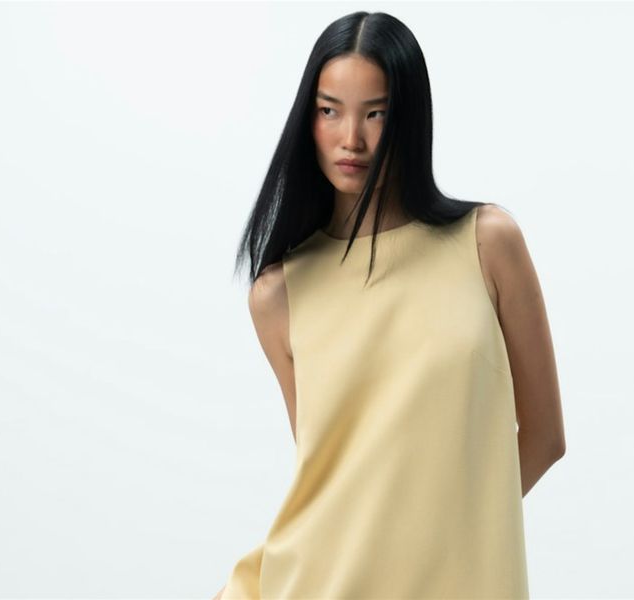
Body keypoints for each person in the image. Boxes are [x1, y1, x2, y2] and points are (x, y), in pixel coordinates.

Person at [216, 11, 565, 599]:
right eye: (329, 111)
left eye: (376, 113)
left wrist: (443, 541)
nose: (351, 138)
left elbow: (545, 437)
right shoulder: (278, 294)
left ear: (409, 119)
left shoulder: (487, 243)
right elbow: (333, 478)